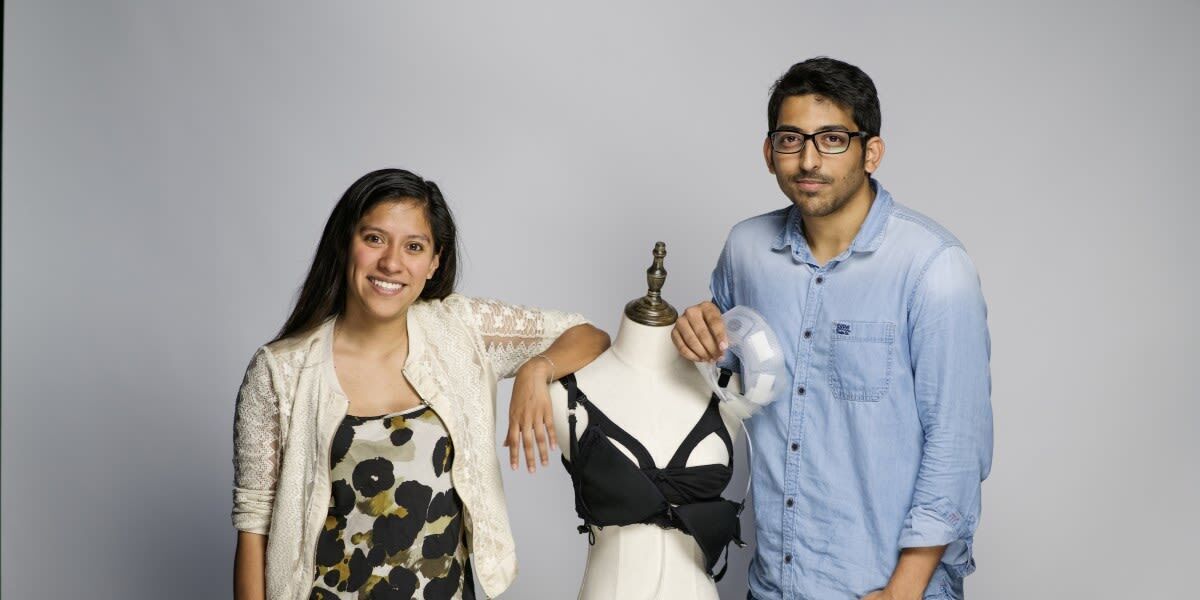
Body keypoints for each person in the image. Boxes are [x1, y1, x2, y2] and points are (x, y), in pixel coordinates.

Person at [671, 57, 993, 600]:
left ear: (872, 152)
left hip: (885, 589)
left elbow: (958, 446)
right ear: (769, 150)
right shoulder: (746, 250)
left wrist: (903, 590)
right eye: (791, 139)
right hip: (774, 584)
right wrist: (695, 332)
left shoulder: (933, 267)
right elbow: (725, 371)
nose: (809, 160)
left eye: (833, 139)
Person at [231, 168, 610, 600]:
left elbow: (589, 336)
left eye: (414, 247)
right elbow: (254, 525)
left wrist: (536, 369)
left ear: (434, 262)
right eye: (374, 239)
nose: (392, 262)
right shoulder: (280, 371)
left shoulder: (462, 331)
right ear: (345, 242)